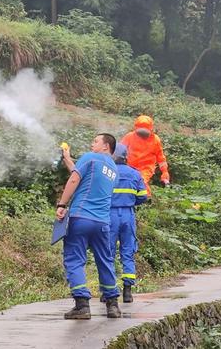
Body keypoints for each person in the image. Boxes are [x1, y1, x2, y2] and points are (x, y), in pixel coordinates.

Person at [57, 133, 121, 320]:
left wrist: (62, 204)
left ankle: (82, 305)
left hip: (81, 217)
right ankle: (113, 305)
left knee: (74, 259)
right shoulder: (114, 170)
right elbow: (82, 176)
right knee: (105, 260)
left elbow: (75, 179)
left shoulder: (90, 157)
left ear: (106, 146)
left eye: (95, 141)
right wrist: (68, 159)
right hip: (102, 222)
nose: (92, 144)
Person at [109, 144, 147, 303]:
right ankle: (127, 292)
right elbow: (143, 196)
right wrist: (130, 201)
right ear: (126, 157)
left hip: (109, 214)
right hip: (128, 215)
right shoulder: (135, 174)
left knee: (107, 253)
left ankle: (109, 292)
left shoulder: (108, 173)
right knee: (127, 252)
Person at [121, 115, 170, 196]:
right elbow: (119, 150)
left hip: (146, 168)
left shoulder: (155, 140)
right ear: (135, 128)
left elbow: (161, 158)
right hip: (129, 166)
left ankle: (146, 200)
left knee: (141, 181)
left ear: (151, 129)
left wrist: (165, 171)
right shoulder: (129, 136)